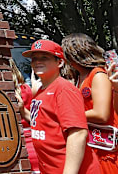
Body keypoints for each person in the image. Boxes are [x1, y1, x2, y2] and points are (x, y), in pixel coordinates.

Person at [17, 39, 100, 174]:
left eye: (44, 57)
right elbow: (44, 124)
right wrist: (23, 110)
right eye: (34, 58)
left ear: (60, 62)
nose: (38, 62)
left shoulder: (63, 90)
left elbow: (78, 134)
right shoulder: (41, 91)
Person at [62, 33, 118, 173]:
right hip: (90, 145)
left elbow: (102, 114)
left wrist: (67, 116)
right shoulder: (78, 77)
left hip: (105, 150)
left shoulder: (98, 75)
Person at [10, 59, 40, 173]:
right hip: (33, 141)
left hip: (19, 144)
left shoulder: (6, 92)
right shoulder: (26, 89)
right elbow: (35, 119)